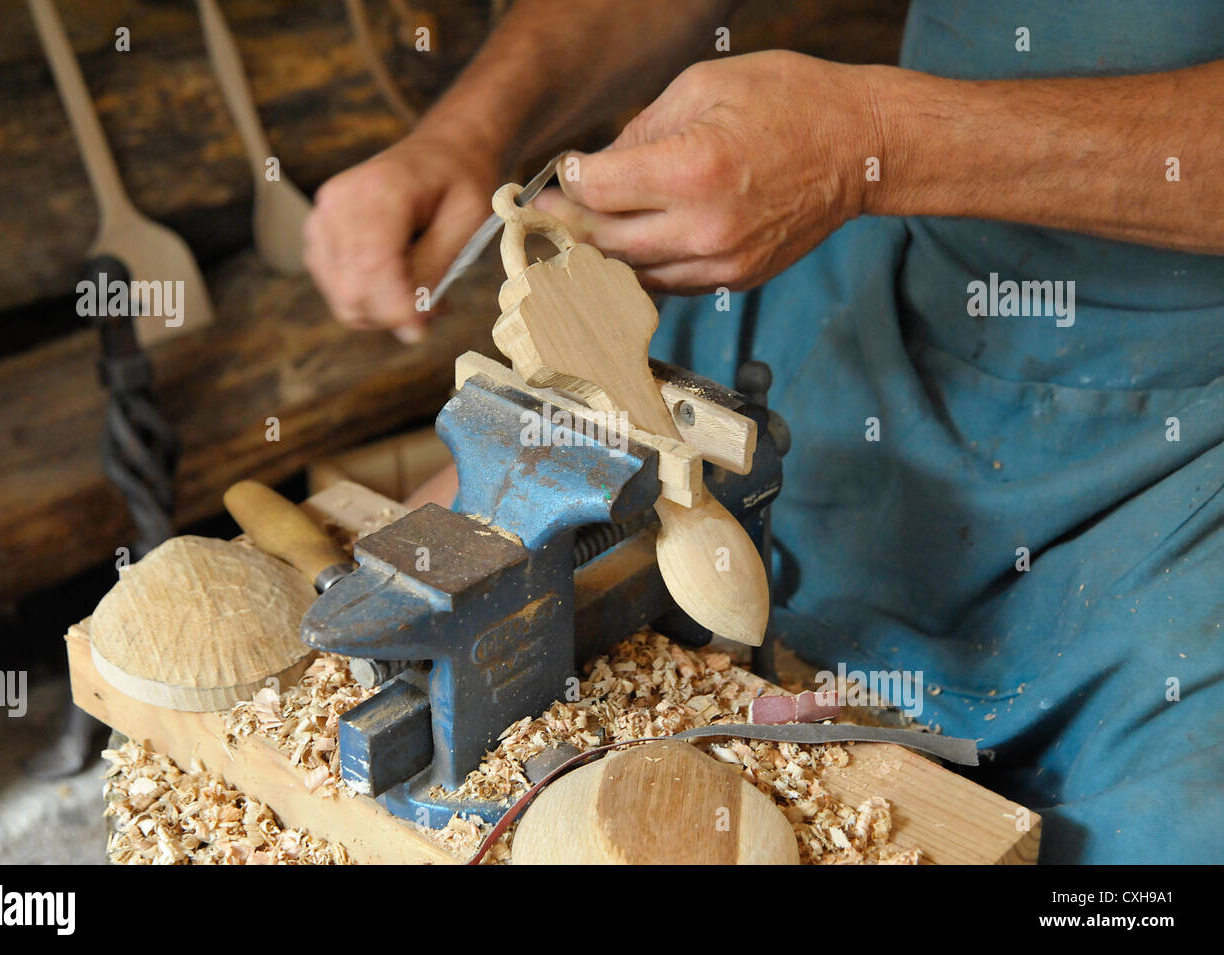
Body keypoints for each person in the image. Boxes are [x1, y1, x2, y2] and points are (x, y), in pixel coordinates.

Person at [303, 0, 1224, 863]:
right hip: (898, 278)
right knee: (430, 539)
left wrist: (873, 143)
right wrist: (470, 130)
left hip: (1188, 399)